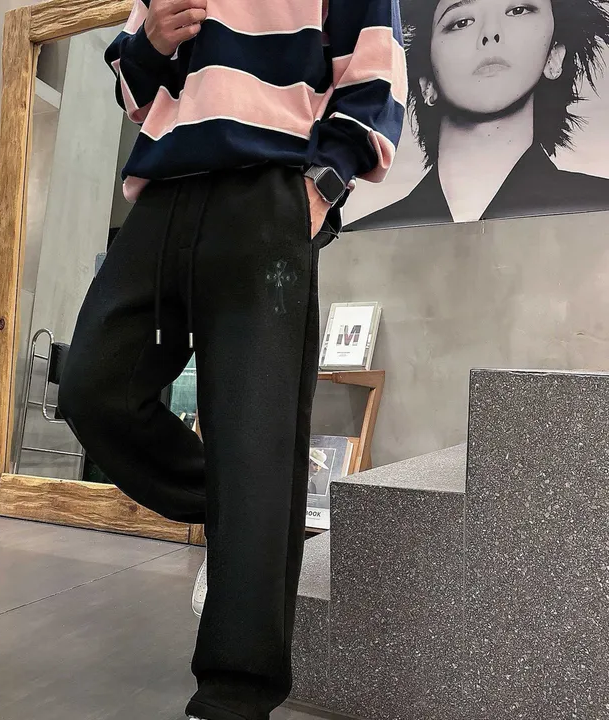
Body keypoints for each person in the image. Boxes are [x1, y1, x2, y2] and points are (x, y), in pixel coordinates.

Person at [57, 1, 406, 719]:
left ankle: (233, 700)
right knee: (95, 388)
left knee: (254, 440)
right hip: (165, 190)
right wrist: (152, 44)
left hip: (270, 190)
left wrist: (320, 189)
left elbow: (375, 74)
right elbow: (133, 87)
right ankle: (256, 510)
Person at [347, 0, 609, 231]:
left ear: (554, 58)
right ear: (427, 84)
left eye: (518, 10)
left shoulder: (600, 205)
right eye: (461, 22)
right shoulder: (359, 241)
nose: (490, 33)